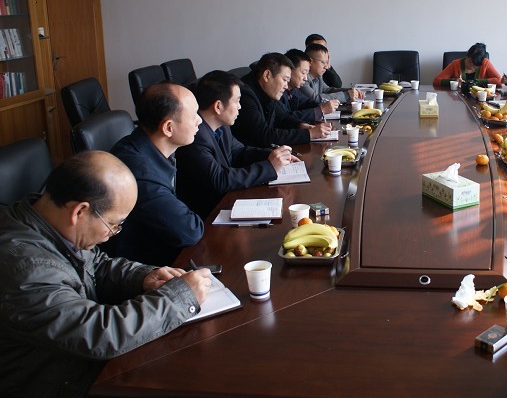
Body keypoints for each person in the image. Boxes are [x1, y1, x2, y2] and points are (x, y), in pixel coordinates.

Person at [0, 151, 212, 395]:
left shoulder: (45, 218)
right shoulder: (24, 268)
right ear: (80, 211)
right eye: (113, 224)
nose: (112, 234)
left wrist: (143, 277)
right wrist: (179, 298)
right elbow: (98, 333)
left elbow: (96, 265)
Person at [105, 82, 205, 266]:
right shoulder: (140, 172)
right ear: (168, 128)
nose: (200, 120)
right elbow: (189, 231)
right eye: (193, 115)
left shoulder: (145, 145)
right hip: (141, 268)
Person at [176, 70, 298, 218]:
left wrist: (274, 155)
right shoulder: (195, 137)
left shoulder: (222, 126)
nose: (240, 106)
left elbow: (239, 152)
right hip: (207, 214)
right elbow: (220, 180)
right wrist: (269, 167)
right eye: (237, 101)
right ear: (218, 106)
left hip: (227, 201)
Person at [232, 52, 332, 148]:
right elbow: (264, 135)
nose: (286, 86)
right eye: (284, 80)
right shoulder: (245, 96)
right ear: (267, 75)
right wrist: (309, 134)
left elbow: (282, 117)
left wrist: (300, 125)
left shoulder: (267, 89)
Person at [282, 49, 337, 123]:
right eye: (303, 73)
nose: (305, 78)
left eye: (307, 73)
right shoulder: (278, 92)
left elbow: (307, 103)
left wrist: (325, 105)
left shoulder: (294, 90)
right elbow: (285, 118)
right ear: (289, 71)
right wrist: (321, 110)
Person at [432, 42, 501, 87]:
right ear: (467, 56)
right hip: (458, 99)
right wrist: (454, 81)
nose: (471, 66)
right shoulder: (455, 64)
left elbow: (499, 80)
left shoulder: (485, 63)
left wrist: (478, 82)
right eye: (469, 62)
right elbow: (436, 81)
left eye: (475, 66)